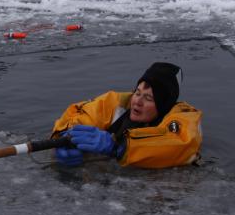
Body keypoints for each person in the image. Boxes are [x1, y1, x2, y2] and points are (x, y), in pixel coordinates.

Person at [51, 62, 202, 169]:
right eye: (137, 93)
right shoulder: (120, 102)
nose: (138, 102)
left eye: (148, 98)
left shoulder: (183, 117)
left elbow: (180, 143)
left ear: (163, 106)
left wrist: (119, 148)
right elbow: (83, 114)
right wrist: (65, 138)